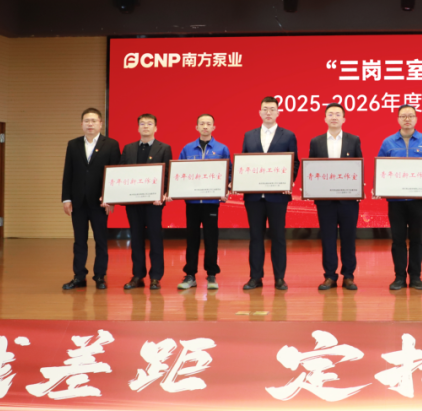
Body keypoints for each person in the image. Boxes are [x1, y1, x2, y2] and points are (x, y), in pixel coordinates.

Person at [378, 105, 422, 291]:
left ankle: (415, 277)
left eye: (411, 116)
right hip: (395, 202)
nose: (407, 119)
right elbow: (380, 169)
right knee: (397, 240)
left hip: (417, 201)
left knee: (416, 239)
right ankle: (399, 277)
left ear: (416, 119)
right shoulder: (388, 142)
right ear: (398, 119)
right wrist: (380, 187)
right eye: (403, 116)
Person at [241, 96, 300, 291]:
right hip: (254, 196)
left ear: (278, 112)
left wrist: (288, 182)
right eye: (265, 109)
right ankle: (255, 277)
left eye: (272, 109)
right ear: (259, 112)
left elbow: (295, 162)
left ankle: (279, 278)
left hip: (278, 196)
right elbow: (244, 163)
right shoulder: (249, 135)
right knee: (255, 237)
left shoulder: (288, 135)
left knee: (278, 237)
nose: (268, 112)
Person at [61, 108, 121, 290]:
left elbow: (115, 174)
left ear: (101, 124)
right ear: (81, 124)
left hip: (100, 202)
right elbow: (68, 173)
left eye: (94, 121)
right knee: (79, 241)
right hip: (78, 202)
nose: (90, 124)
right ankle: (79, 276)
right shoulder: (73, 144)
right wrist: (66, 199)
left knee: (101, 241)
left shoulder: (111, 144)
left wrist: (111, 198)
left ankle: (100, 276)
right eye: (87, 121)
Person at [308, 103, 363, 291]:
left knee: (349, 238)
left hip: (348, 200)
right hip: (325, 201)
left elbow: (358, 166)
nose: (334, 117)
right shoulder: (316, 142)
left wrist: (358, 188)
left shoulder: (353, 140)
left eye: (338, 114)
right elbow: (311, 169)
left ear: (344, 119)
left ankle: (348, 276)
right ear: (325, 118)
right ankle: (330, 276)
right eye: (330, 114)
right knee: (328, 239)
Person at [176, 113, 230, 292]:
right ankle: (190, 275)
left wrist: (225, 189)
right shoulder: (187, 149)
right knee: (191, 239)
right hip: (192, 203)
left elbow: (228, 173)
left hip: (211, 202)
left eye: (208, 124)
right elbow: (179, 173)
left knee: (211, 238)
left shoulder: (222, 149)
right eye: (202, 124)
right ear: (196, 127)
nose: (205, 126)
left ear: (214, 127)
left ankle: (211, 274)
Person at [122, 113, 173, 290]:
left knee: (155, 238)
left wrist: (164, 193)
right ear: (138, 128)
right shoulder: (128, 148)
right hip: (133, 202)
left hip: (154, 202)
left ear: (155, 128)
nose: (145, 126)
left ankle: (156, 276)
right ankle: (138, 275)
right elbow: (121, 173)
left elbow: (168, 174)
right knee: (136, 238)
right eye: (142, 123)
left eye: (149, 123)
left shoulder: (164, 148)